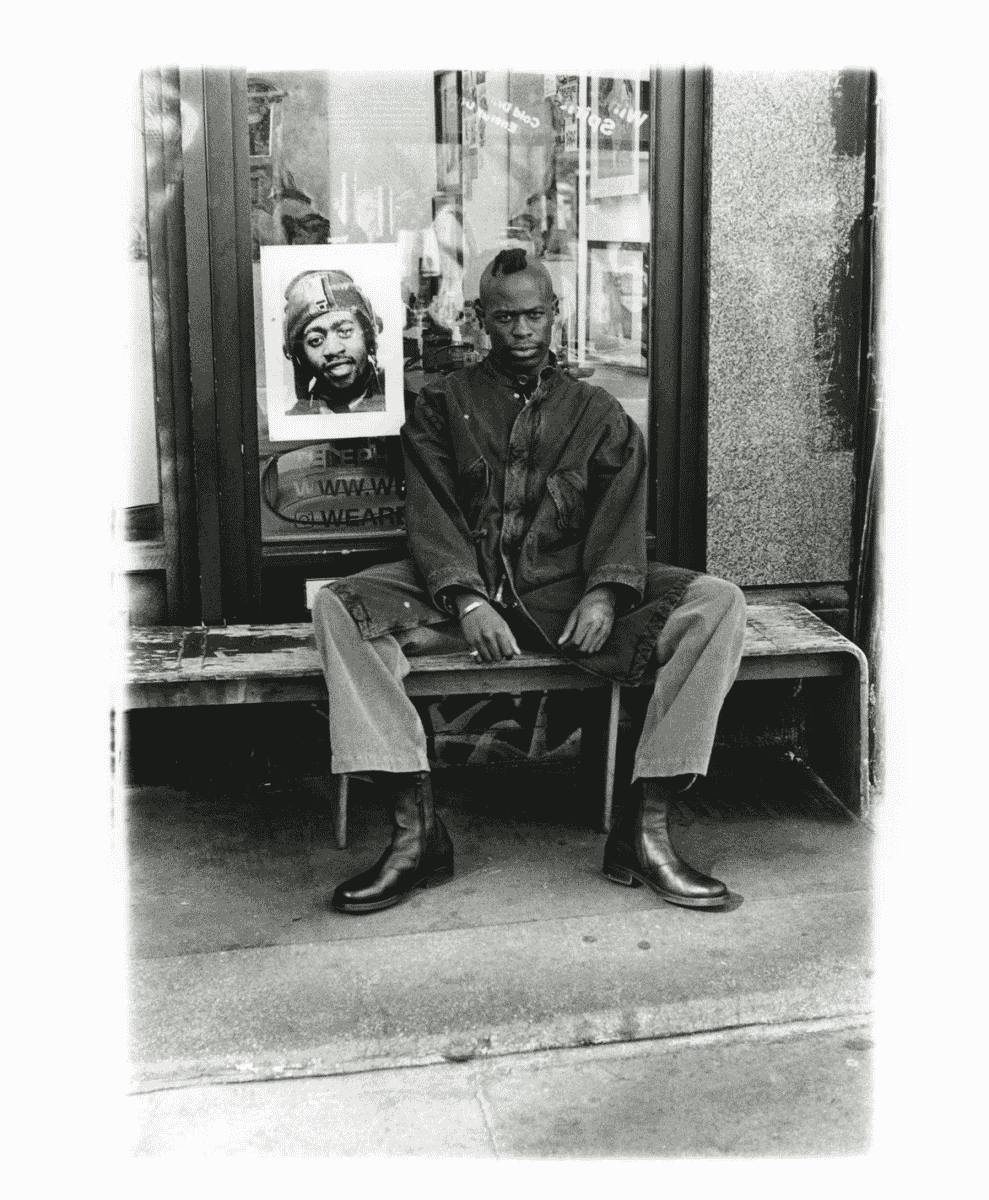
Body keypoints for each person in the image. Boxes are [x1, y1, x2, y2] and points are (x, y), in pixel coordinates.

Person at [312, 248, 747, 915]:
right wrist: (465, 597)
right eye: (506, 317)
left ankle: (646, 828)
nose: (521, 331)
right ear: (480, 319)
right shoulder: (441, 405)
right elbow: (429, 514)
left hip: (564, 598)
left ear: (555, 314)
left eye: (534, 315)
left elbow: (621, 514)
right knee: (340, 609)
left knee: (717, 603)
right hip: (458, 597)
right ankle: (414, 834)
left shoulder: (596, 411)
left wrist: (606, 590)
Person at [282, 269, 386, 415]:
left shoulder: (405, 403)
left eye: (345, 331)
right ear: (301, 358)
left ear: (368, 337)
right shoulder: (292, 428)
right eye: (316, 340)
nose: (333, 349)